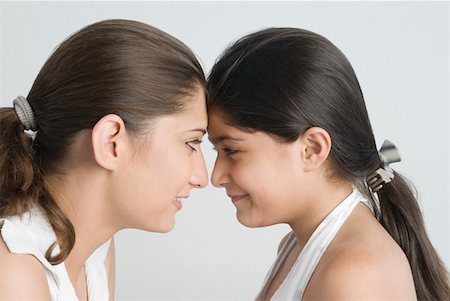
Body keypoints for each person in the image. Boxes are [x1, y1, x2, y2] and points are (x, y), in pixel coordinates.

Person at [207, 27, 450, 300]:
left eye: (231, 150)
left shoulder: (354, 275)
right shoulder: (295, 247)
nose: (215, 176)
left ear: (312, 149)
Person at [0, 19, 208, 300]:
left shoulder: (95, 253)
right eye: (191, 142)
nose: (201, 177)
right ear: (111, 142)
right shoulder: (11, 267)